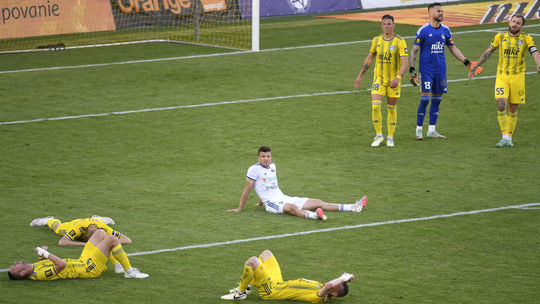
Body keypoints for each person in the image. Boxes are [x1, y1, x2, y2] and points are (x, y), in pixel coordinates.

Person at [228, 146, 367, 221]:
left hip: (283, 197)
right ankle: (315, 216)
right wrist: (240, 208)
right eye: (263, 157)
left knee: (318, 202)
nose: (266, 159)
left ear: (271, 157)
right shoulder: (253, 170)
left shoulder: (273, 166)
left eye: (268, 156)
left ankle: (353, 207)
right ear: (258, 157)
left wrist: (259, 201)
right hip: (271, 203)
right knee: (292, 208)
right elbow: (248, 189)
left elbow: (267, 186)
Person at [409, 2, 482, 140]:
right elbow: (414, 50)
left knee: (437, 100)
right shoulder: (423, 30)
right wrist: (412, 70)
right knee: (425, 99)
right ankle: (419, 130)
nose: (441, 13)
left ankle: (431, 130)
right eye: (438, 11)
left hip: (440, 71)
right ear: (430, 13)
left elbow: (453, 48)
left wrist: (467, 63)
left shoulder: (446, 30)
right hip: (426, 71)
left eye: (442, 11)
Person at [468, 14, 540, 148]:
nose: (515, 24)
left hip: (518, 77)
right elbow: (488, 52)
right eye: (513, 21)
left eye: (518, 23)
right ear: (509, 22)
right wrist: (475, 66)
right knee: (501, 103)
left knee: (513, 108)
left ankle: (508, 137)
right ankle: (504, 136)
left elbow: (534, 52)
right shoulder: (500, 37)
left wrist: (538, 63)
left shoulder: (526, 38)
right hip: (502, 76)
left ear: (522, 26)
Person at [7, 229, 148, 280]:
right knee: (112, 239)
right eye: (14, 268)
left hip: (82, 261)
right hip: (88, 268)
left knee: (99, 233)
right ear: (21, 273)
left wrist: (44, 255)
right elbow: (62, 265)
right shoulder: (40, 274)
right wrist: (46, 253)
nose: (14, 264)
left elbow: (52, 262)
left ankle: (118, 266)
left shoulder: (32, 267)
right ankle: (129, 271)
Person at [354, 14, 408, 147]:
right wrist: (360, 75)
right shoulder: (376, 40)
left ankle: (390, 137)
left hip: (393, 81)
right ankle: (379, 135)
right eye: (384, 24)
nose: (386, 26)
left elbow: (405, 62)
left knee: (391, 108)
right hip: (379, 79)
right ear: (381, 25)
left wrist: (398, 77)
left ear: (394, 25)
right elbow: (369, 60)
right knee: (375, 106)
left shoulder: (400, 41)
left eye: (389, 24)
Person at [221, 250, 354, 302]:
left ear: (334, 293)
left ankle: (240, 292)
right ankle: (248, 286)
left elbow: (330, 285)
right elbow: (331, 284)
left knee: (252, 261)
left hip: (272, 291)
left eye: (337, 284)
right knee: (267, 254)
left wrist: (342, 279)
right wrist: (343, 277)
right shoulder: (321, 285)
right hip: (278, 283)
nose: (333, 282)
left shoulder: (320, 297)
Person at [29, 215, 132, 273]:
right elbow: (62, 242)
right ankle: (48, 220)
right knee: (58, 229)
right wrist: (85, 245)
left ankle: (98, 218)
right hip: (73, 224)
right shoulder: (78, 228)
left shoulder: (104, 228)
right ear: (86, 236)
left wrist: (110, 240)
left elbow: (127, 240)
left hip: (96, 223)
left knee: (108, 238)